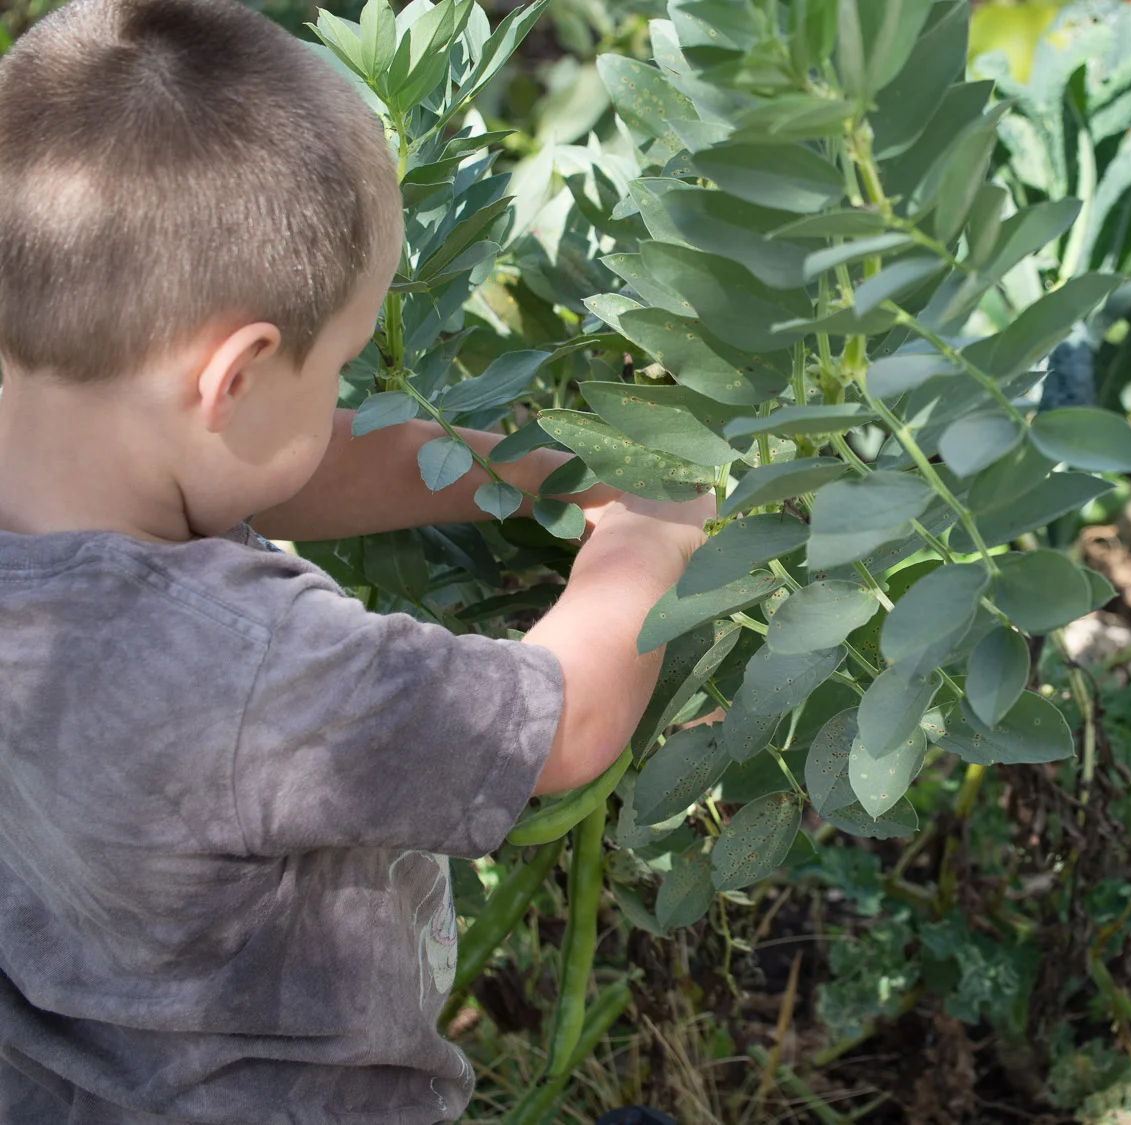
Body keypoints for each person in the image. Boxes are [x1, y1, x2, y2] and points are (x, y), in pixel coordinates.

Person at [0, 0, 711, 1120]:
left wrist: (516, 466)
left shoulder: (56, 452)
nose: (340, 400)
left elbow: (271, 463)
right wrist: (649, 540)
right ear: (234, 377)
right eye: (337, 367)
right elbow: (563, 726)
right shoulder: (248, 665)